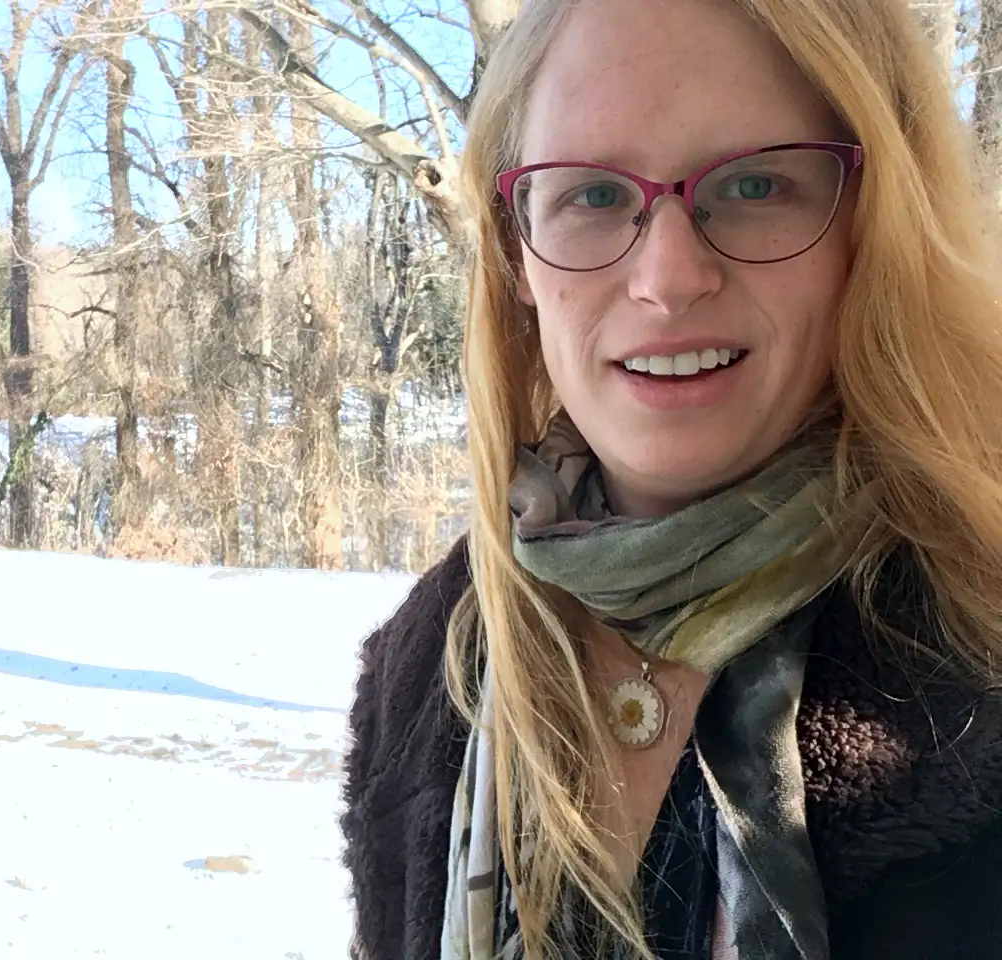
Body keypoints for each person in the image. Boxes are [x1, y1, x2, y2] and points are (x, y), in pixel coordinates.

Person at [340, 0, 1002, 956]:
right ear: (519, 249)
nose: (668, 275)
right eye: (594, 195)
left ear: (875, 224)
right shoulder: (431, 664)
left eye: (756, 183)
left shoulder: (971, 651)